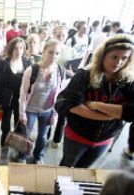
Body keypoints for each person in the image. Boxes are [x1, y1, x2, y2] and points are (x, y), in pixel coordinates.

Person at [56, 34, 134, 168]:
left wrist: (95, 104)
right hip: (77, 136)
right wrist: (112, 115)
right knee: (66, 168)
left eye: (124, 58)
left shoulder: (128, 81)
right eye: (114, 57)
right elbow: (71, 105)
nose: (119, 62)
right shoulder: (84, 75)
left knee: (83, 171)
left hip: (104, 140)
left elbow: (131, 113)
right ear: (103, 55)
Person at [19, 40, 66, 164]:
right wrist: (22, 113)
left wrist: (55, 114)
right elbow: (23, 93)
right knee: (26, 135)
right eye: (50, 52)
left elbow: (59, 95)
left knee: (42, 136)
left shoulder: (60, 71)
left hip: (47, 110)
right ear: (43, 52)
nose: (54, 56)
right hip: (30, 110)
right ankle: (22, 156)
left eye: (57, 53)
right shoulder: (32, 70)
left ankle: (38, 156)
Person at [0, 37, 31, 160]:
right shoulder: (4, 63)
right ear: (11, 49)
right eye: (16, 48)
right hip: (6, 99)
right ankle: (4, 146)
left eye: (21, 48)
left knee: (20, 124)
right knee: (5, 125)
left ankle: (18, 148)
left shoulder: (27, 62)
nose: (19, 51)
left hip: (21, 100)